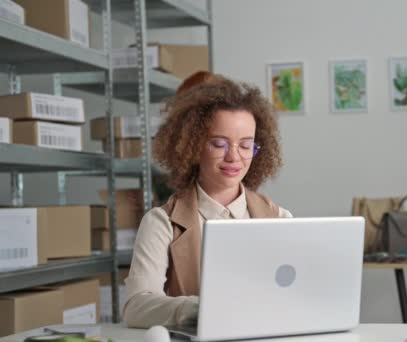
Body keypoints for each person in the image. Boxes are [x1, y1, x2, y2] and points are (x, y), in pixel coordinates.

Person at [123, 72, 292, 328]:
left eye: (246, 145)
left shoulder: (281, 219)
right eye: (219, 144)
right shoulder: (161, 223)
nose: (234, 157)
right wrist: (201, 307)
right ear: (192, 145)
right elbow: (136, 307)